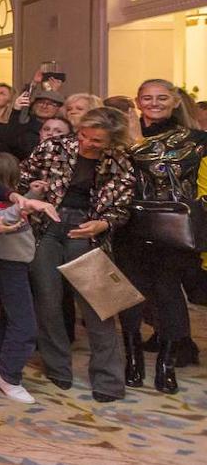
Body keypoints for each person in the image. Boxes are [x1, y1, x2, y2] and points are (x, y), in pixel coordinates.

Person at [23, 106, 134, 402]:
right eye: (84, 135)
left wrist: (103, 223)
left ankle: (109, 381)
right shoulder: (53, 147)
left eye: (96, 141)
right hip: (47, 227)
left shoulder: (120, 159)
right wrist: (33, 191)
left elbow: (122, 204)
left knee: (100, 308)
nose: (86, 143)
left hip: (87, 231)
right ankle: (57, 368)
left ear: (112, 140)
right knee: (48, 302)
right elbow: (22, 180)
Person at [117, 79, 207, 394]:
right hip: (129, 224)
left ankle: (166, 363)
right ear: (138, 102)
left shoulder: (192, 138)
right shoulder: (121, 132)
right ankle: (133, 360)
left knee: (167, 293)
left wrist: (135, 141)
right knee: (129, 294)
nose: (154, 103)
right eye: (147, 98)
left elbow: (157, 167)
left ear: (174, 101)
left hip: (171, 227)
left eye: (162, 98)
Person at [0, 152, 57, 403]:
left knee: (11, 313)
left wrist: (30, 196)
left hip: (11, 260)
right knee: (25, 324)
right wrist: (24, 203)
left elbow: (13, 209)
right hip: (9, 263)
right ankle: (9, 375)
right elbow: (4, 216)